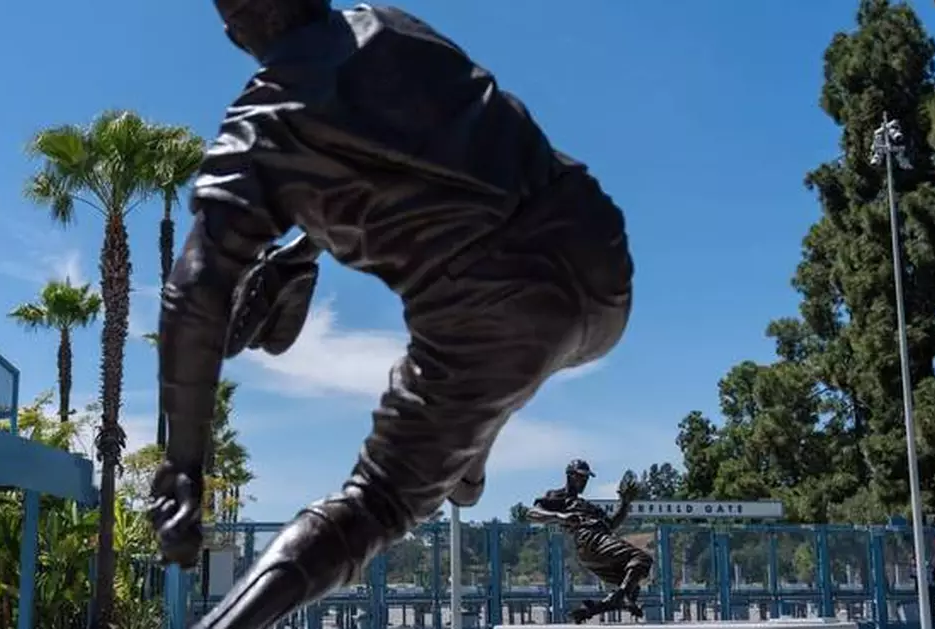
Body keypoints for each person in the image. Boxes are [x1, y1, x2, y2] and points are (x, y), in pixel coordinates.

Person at [147, 1, 634, 627]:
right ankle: (472, 435)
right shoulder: (389, 22)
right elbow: (414, 153)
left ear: (238, 25)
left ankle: (470, 434)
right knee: (490, 367)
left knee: (373, 504)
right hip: (600, 260)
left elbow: (193, 293)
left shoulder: (266, 120)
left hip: (495, 321)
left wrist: (184, 466)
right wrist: (302, 250)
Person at [527, 460, 651, 623]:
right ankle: (618, 598)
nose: (584, 481)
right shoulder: (559, 497)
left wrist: (625, 504)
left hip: (595, 547)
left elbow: (611, 525)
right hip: (589, 538)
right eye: (581, 477)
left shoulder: (587, 505)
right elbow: (532, 513)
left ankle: (592, 610)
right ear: (570, 476)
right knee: (642, 559)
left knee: (631, 585)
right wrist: (560, 517)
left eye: (586, 478)